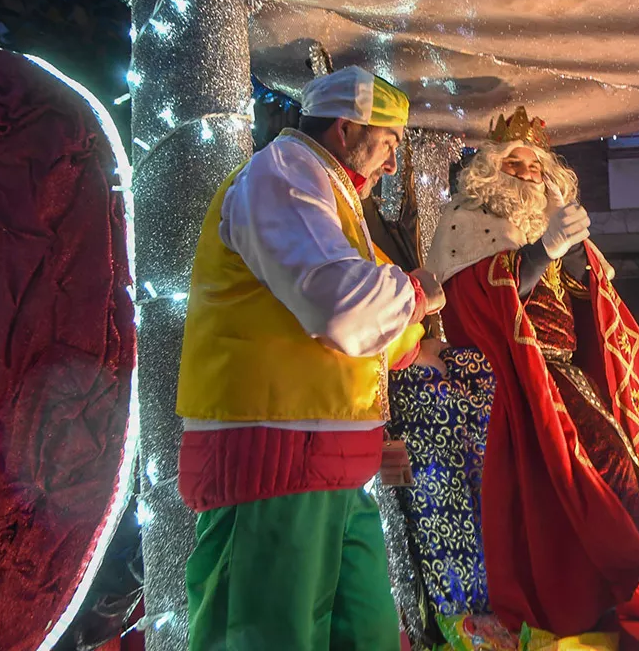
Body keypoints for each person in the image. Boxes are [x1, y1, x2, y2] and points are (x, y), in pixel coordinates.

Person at [426, 107, 639, 641]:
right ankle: (603, 592)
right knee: (585, 473)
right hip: (516, 380)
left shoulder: (543, 218)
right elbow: (478, 299)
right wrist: (539, 252)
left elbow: (589, 291)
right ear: (491, 169)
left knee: (619, 469)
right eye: (516, 163)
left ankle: (617, 591)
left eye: (536, 167)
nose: (528, 175)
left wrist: (572, 249)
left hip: (566, 373)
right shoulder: (466, 219)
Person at [175, 65, 446, 650]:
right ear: (346, 131)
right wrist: (418, 295)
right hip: (272, 463)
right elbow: (344, 309)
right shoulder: (282, 175)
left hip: (330, 463)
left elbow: (372, 308)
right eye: (390, 143)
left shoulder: (331, 196)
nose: (394, 164)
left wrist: (417, 345)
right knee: (272, 635)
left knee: (370, 632)